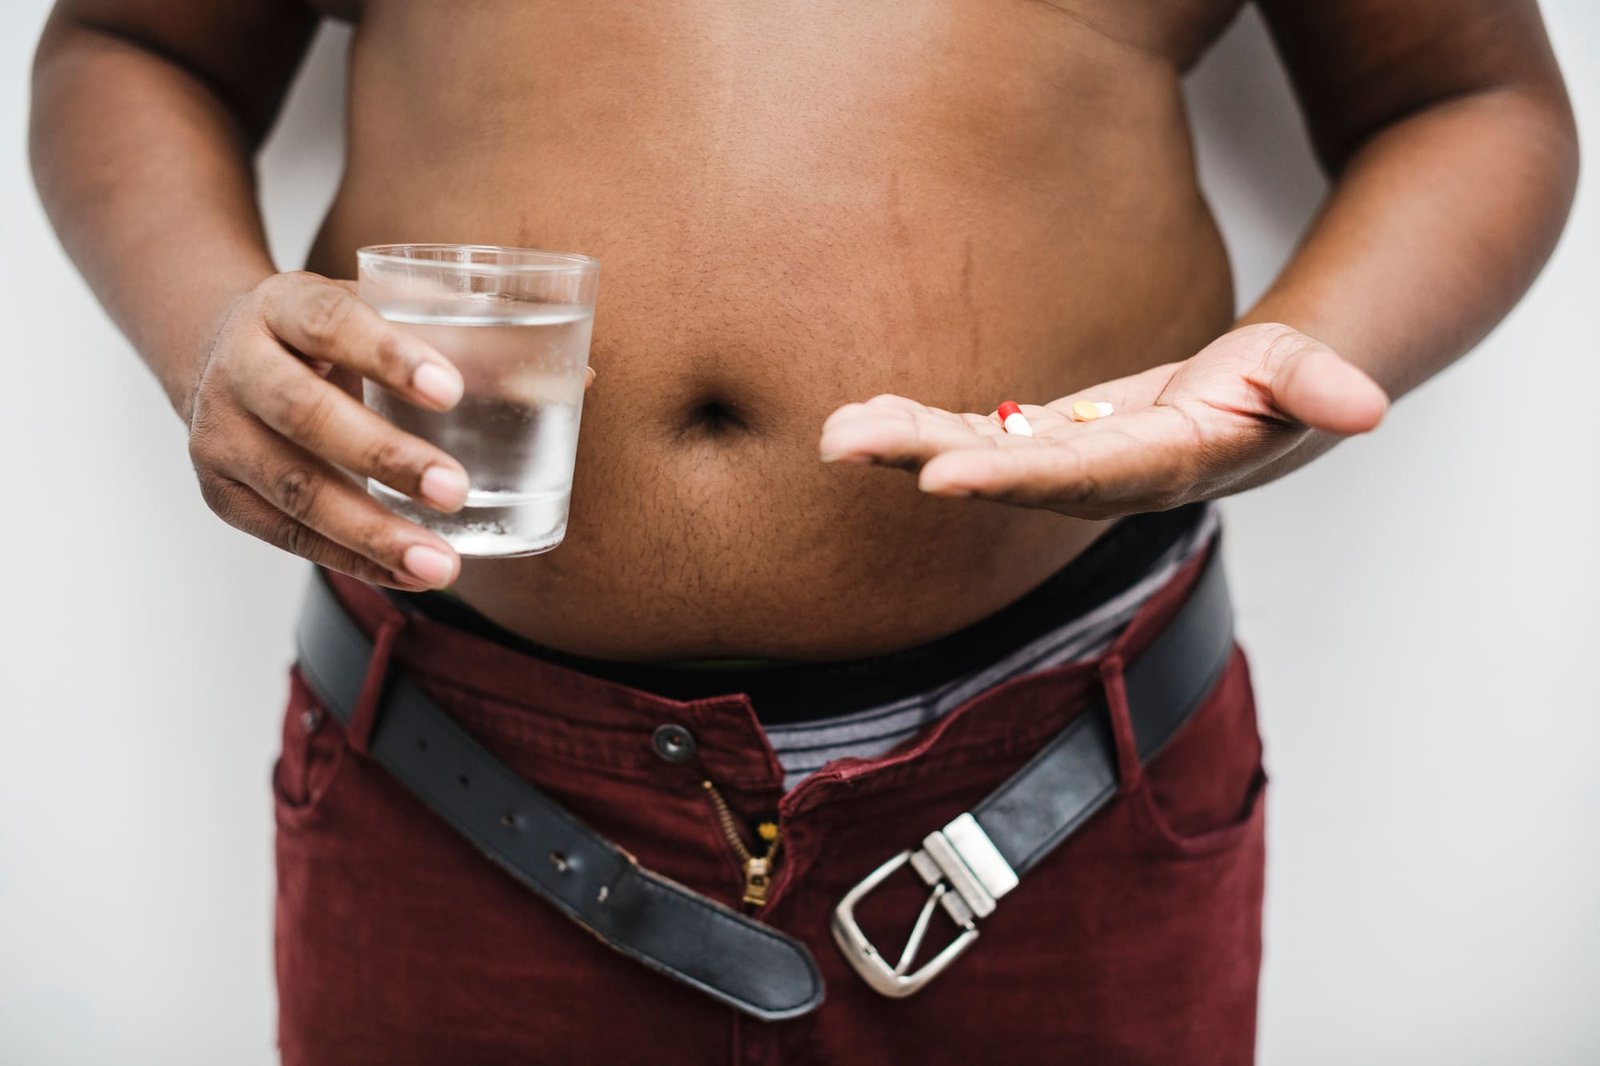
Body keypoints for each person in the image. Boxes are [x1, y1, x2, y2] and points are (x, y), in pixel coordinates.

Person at [29, 1, 1576, 1062]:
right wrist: (210, 336)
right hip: (461, 786)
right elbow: (130, 43)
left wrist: (1298, 354)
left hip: (1062, 790)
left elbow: (1470, 97)